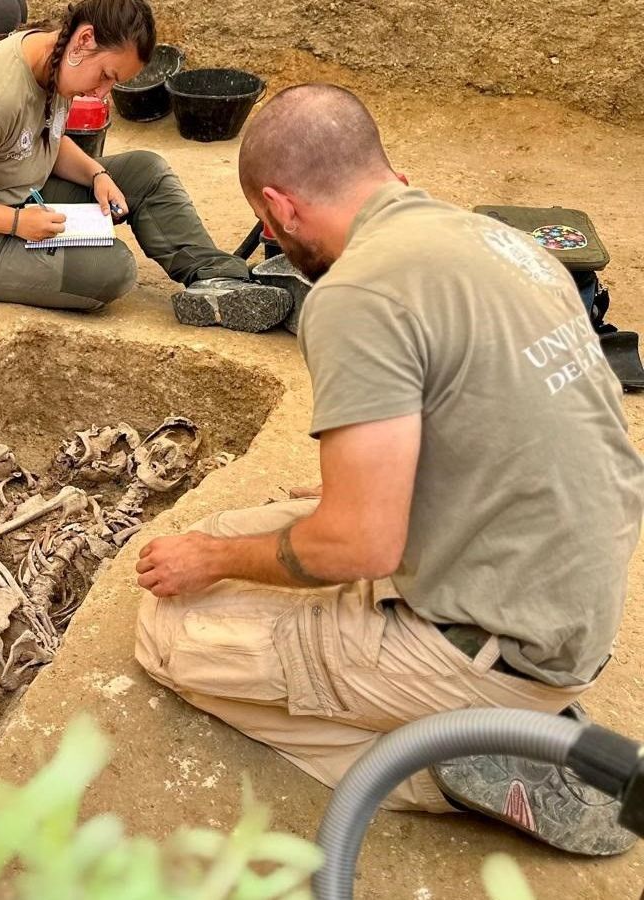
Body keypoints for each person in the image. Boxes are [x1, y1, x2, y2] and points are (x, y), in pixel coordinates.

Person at [134, 83, 644, 855]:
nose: (274, 241)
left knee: (169, 632)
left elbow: (360, 546)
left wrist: (219, 560)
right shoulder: (489, 237)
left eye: (270, 228)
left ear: (281, 208)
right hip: (560, 592)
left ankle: (457, 760)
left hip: (504, 641)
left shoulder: (354, 292)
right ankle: (485, 713)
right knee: (229, 533)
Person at [0, 0, 292, 329]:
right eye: (106, 76)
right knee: (111, 269)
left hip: (17, 196)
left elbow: (45, 137)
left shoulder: (55, 59)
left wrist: (96, 174)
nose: (103, 93)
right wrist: (18, 223)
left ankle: (220, 282)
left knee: (146, 171)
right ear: (85, 39)